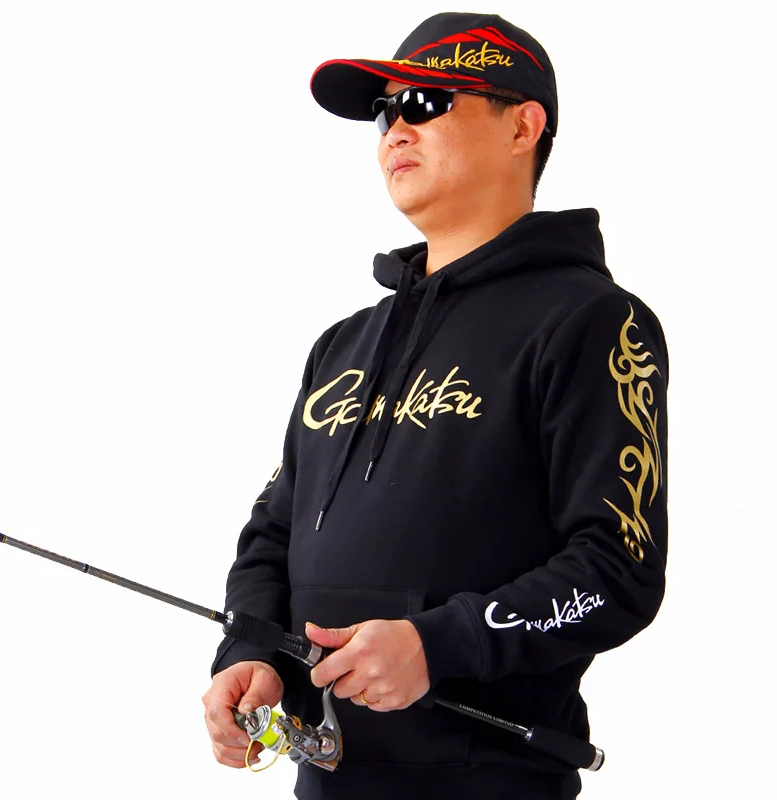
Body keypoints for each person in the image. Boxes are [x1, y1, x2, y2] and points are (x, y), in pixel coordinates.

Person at [202, 11, 668, 800]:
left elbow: (617, 568)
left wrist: (437, 643)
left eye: (424, 103)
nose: (394, 129)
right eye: (385, 111)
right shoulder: (342, 346)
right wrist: (250, 652)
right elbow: (273, 533)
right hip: (327, 780)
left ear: (522, 127)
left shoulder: (594, 322)